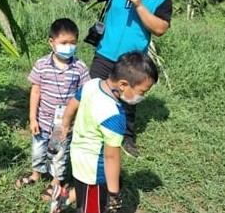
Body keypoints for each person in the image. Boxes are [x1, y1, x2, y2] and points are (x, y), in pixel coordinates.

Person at [73, 0, 172, 157]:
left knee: (128, 99)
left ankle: (126, 137)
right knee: (94, 91)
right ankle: (88, 128)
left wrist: (139, 4)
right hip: (106, 51)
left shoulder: (161, 0)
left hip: (132, 60)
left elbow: (160, 28)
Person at [60, 51, 158, 213]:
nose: (143, 96)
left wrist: (65, 124)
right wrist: (114, 194)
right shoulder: (114, 115)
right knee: (92, 207)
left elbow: (73, 102)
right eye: (142, 92)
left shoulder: (92, 84)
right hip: (94, 173)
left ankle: (66, 198)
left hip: (78, 156)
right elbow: (111, 156)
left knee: (83, 189)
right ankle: (70, 202)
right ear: (123, 85)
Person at [15, 18, 90, 198]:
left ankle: (56, 181)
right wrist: (32, 118)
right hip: (42, 122)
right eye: (64, 43)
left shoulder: (79, 68)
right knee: (38, 149)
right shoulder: (42, 65)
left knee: (58, 153)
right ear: (51, 42)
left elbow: (84, 96)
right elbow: (35, 92)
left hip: (61, 125)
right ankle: (36, 174)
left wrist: (75, 121)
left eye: (73, 43)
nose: (69, 46)